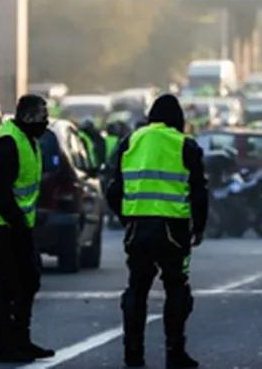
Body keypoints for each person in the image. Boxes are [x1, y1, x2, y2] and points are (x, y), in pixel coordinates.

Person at [105, 94, 208, 368]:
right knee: (177, 290)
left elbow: (113, 188)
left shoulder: (130, 141)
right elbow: (199, 192)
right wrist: (199, 227)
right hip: (173, 230)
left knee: (136, 290)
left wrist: (126, 218)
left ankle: (133, 353)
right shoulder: (185, 145)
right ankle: (175, 353)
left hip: (137, 227)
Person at [0, 94, 55, 363]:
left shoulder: (27, 140)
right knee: (9, 285)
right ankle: (4, 345)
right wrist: (18, 224)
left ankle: (21, 340)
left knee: (28, 281)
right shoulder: (7, 143)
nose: (45, 123)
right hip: (3, 226)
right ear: (27, 117)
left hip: (17, 226)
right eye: (41, 117)